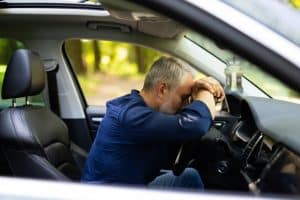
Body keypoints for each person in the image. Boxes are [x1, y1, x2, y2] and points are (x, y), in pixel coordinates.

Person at [81, 56, 225, 189]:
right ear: (162, 89)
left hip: (132, 187)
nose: (185, 106)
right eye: (184, 97)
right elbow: (195, 124)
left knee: (189, 177)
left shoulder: (144, 110)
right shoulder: (131, 116)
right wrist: (205, 91)